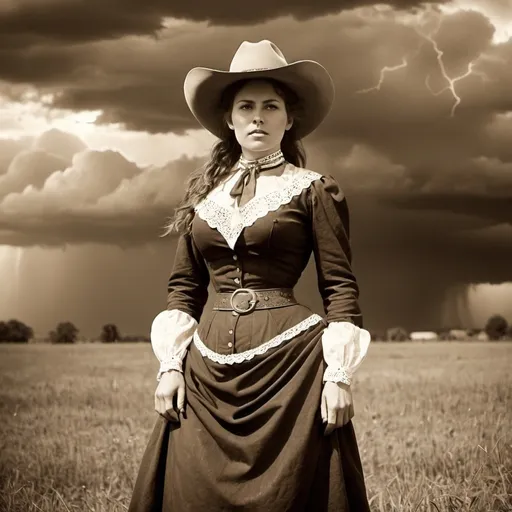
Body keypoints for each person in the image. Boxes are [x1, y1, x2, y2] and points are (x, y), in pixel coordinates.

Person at [128, 39, 372, 512]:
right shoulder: (204, 197)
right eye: (246, 106)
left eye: (270, 106)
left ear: (289, 118)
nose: (257, 117)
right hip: (206, 372)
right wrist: (169, 368)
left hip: (291, 370)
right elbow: (183, 289)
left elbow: (339, 287)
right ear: (229, 118)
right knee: (192, 489)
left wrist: (338, 377)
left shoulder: (314, 190)